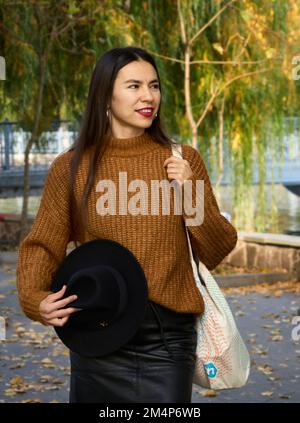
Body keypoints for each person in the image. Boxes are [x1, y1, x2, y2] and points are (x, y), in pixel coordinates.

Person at [16, 46, 238, 403]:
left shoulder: (182, 160)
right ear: (105, 94)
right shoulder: (71, 168)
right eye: (134, 86)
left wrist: (189, 192)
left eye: (153, 85)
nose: (148, 96)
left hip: (167, 341)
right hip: (97, 331)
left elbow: (217, 248)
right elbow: (43, 243)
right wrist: (35, 298)